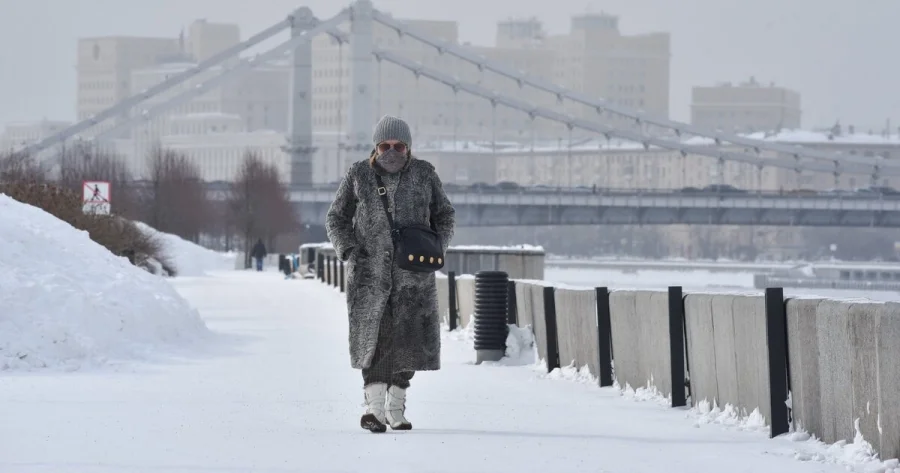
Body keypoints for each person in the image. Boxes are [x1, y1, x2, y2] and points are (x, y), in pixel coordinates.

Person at [325, 115, 455, 433]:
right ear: (376, 146)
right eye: (385, 145)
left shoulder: (425, 174)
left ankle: (395, 409)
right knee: (376, 343)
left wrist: (437, 246)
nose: (391, 151)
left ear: (408, 147)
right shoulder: (359, 175)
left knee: (408, 345)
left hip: (414, 276)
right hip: (369, 278)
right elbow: (335, 217)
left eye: (399, 145)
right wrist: (350, 251)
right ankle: (374, 411)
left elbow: (445, 214)